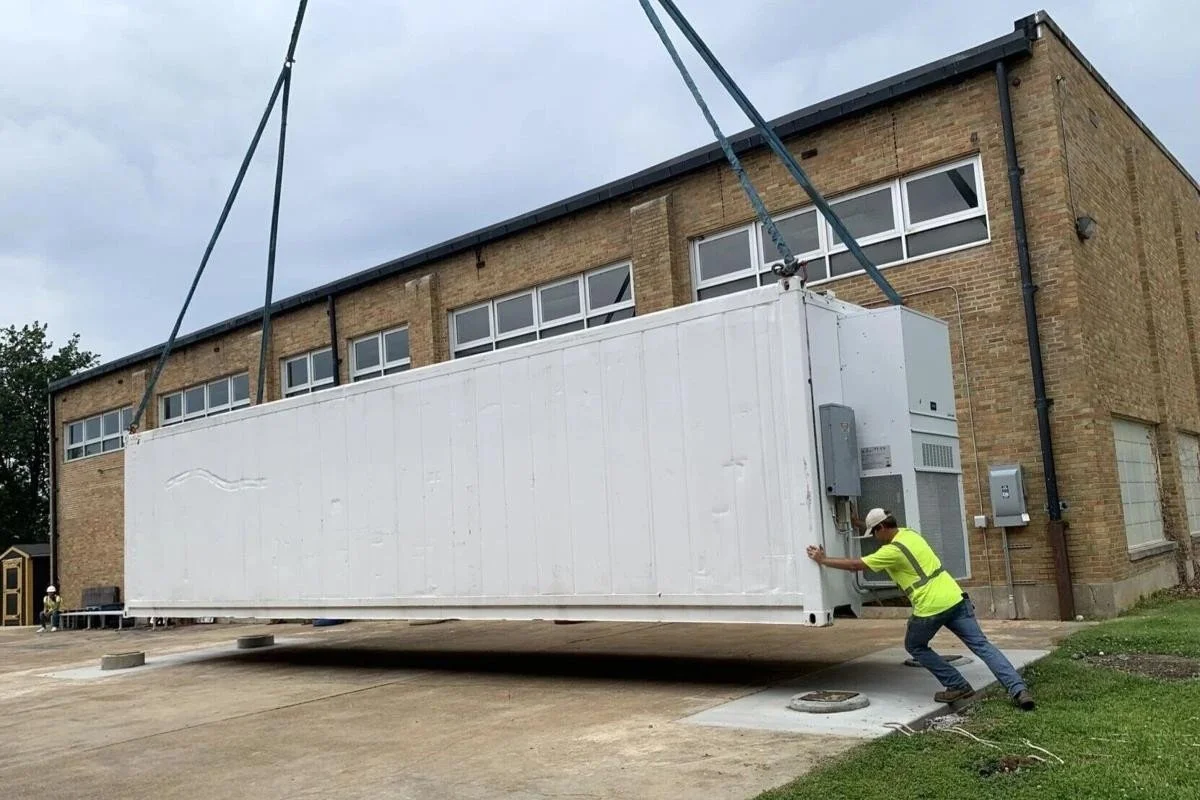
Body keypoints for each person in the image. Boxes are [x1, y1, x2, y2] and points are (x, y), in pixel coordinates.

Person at [807, 508, 1035, 711]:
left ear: (882, 528)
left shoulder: (892, 551)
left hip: (930, 607)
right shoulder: (909, 533)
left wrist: (823, 559)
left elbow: (856, 565)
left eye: (874, 533)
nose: (875, 539)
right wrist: (859, 523)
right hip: (955, 597)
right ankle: (1019, 689)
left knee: (914, 645)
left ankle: (957, 685)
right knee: (982, 646)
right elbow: (882, 529)